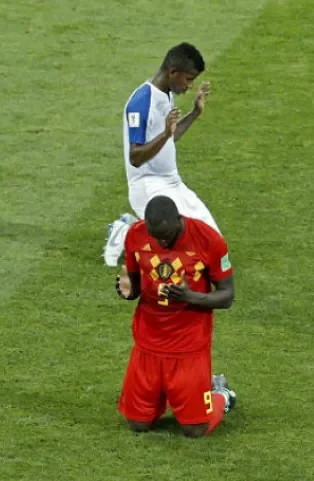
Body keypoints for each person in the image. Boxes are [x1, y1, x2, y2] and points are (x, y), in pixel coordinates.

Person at [114, 195, 236, 438]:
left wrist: (190, 297)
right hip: (149, 341)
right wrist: (127, 292)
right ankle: (169, 394)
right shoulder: (136, 235)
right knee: (138, 424)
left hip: (188, 345)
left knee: (195, 429)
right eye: (155, 236)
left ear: (179, 220)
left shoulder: (208, 240)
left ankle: (220, 393)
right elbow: (135, 286)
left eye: (166, 236)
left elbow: (227, 295)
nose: (161, 241)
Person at [103, 42, 221, 267]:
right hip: (148, 186)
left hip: (173, 183)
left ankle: (134, 228)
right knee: (191, 254)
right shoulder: (141, 102)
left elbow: (169, 140)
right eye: (188, 79)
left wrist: (194, 114)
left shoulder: (166, 95)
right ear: (173, 72)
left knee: (214, 244)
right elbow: (135, 157)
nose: (189, 86)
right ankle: (127, 233)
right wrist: (166, 133)